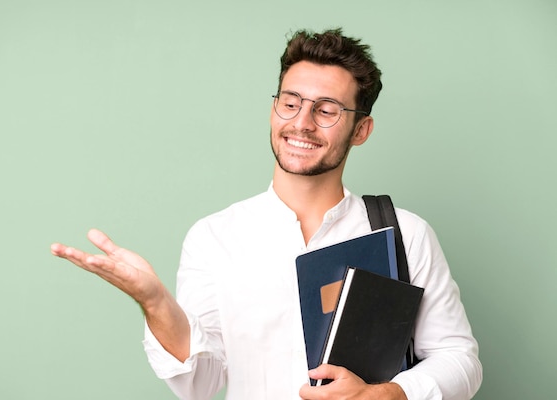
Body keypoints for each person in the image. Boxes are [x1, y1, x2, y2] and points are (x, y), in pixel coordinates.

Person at [51, 28, 482, 400]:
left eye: (327, 109)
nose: (303, 123)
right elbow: (200, 383)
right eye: (291, 102)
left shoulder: (403, 233)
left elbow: (459, 359)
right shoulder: (214, 237)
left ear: (361, 130)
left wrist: (387, 394)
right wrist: (155, 302)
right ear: (274, 108)